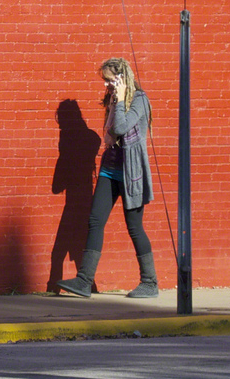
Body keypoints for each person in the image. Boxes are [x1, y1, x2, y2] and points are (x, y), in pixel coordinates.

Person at [59, 56, 157, 299]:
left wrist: (121, 99)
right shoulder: (113, 100)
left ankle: (150, 282)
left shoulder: (140, 100)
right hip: (110, 168)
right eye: (105, 82)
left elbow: (121, 129)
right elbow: (109, 134)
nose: (107, 86)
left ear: (123, 78)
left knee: (134, 227)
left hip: (131, 172)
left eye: (110, 80)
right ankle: (84, 281)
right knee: (95, 221)